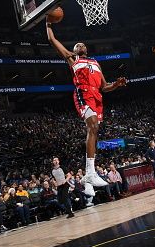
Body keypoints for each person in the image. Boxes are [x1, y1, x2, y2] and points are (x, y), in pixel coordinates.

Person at [47, 18, 127, 186]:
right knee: (93, 126)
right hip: (83, 92)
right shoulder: (72, 59)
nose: (81, 45)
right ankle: (90, 172)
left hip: (97, 95)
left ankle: (89, 179)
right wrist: (48, 24)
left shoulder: (96, 62)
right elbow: (52, 40)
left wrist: (117, 84)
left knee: (95, 131)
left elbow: (105, 86)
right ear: (74, 50)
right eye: (77, 45)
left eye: (83, 44)